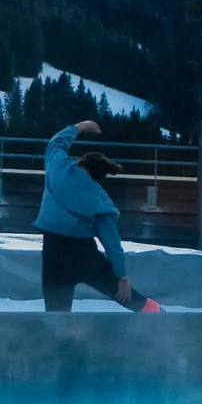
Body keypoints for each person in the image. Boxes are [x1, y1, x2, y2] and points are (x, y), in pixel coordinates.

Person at [37, 116, 160, 314]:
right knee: (129, 298)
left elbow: (57, 142)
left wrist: (80, 126)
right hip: (84, 255)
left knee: (56, 313)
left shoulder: (57, 166)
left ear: (80, 162)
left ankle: (59, 341)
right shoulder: (100, 199)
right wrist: (121, 277)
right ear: (98, 178)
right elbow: (112, 242)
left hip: (53, 253)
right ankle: (158, 316)